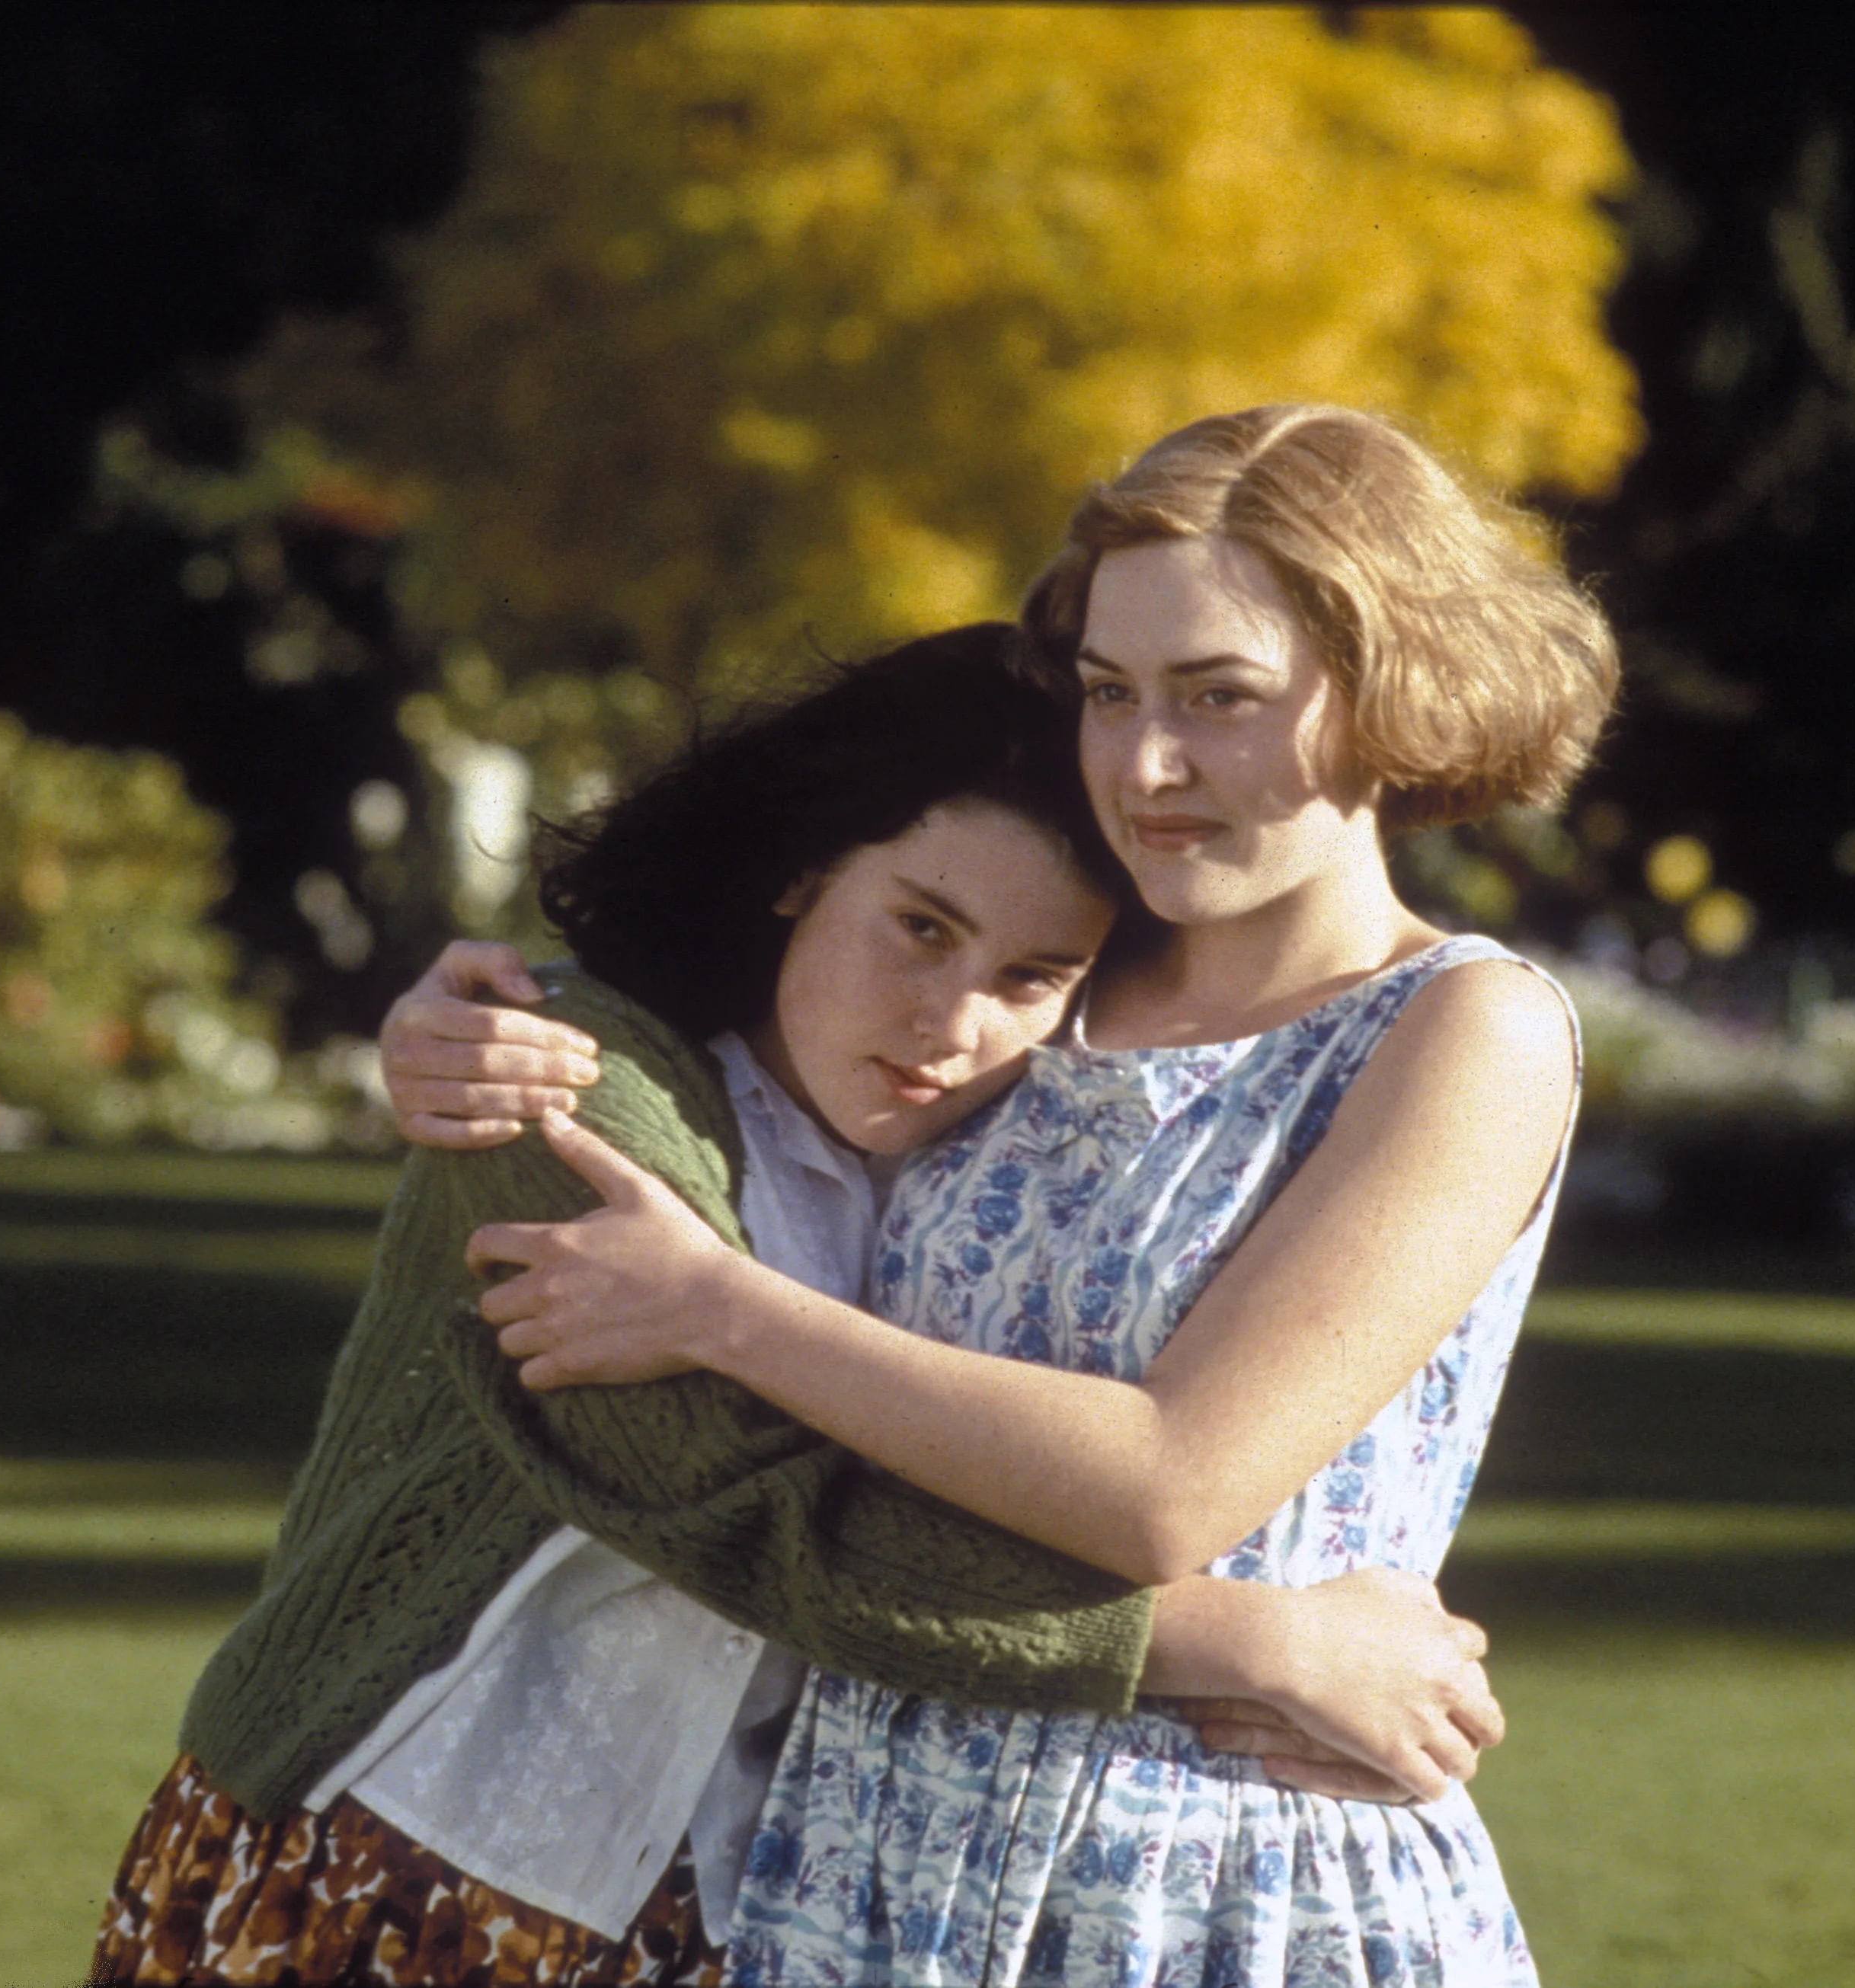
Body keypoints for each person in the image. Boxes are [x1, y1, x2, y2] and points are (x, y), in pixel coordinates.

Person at [88, 622, 1507, 1988]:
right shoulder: (567, 1087)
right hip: (390, 1847)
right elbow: (753, 1513)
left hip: (725, 1916)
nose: (952, 1024)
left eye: (1030, 975)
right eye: (920, 926)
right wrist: (1248, 1644)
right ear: (802, 871)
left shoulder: (985, 1172)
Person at [396, 404, 1615, 1984]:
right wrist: (464, 1017)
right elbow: (758, 1017)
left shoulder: (1463, 1029)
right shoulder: (1049, 974)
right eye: (1110, 694)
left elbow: (1166, 1490)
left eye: (1220, 698)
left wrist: (718, 1309)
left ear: (1392, 690)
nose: (1146, 765)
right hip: (849, 1867)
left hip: (1201, 1888)